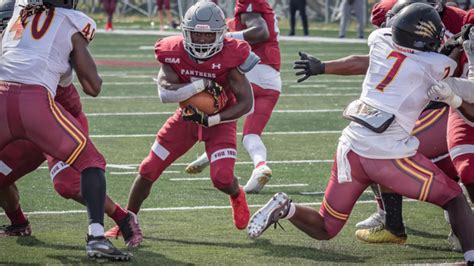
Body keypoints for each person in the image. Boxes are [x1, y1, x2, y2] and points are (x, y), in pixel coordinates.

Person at [247, 3, 474, 264]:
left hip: (350, 148)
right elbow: (450, 67)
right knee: (454, 198)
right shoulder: (437, 65)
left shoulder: (378, 40)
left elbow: (397, 47)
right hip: (388, 157)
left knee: (326, 227)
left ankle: (287, 209)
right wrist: (456, 46)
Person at [105, 1, 258, 238]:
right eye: (196, 34)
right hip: (185, 119)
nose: (201, 40)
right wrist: (201, 85)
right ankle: (127, 220)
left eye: (208, 36)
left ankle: (237, 193)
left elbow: (247, 104)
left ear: (221, 35)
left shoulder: (232, 55)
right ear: (185, 32)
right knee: (148, 169)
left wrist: (214, 119)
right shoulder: (173, 51)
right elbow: (165, 92)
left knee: (222, 178)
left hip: (221, 122)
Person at [0, 0, 130, 260]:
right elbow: (93, 87)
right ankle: (96, 238)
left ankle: (120, 220)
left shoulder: (17, 12)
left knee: (65, 182)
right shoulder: (71, 21)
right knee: (91, 162)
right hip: (34, 104)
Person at [185, 0, 281, 194]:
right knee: (251, 135)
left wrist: (228, 36)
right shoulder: (238, 17)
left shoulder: (248, 5)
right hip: (272, 80)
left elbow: (261, 32)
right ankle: (260, 166)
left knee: (215, 101)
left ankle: (211, 150)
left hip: (252, 71)